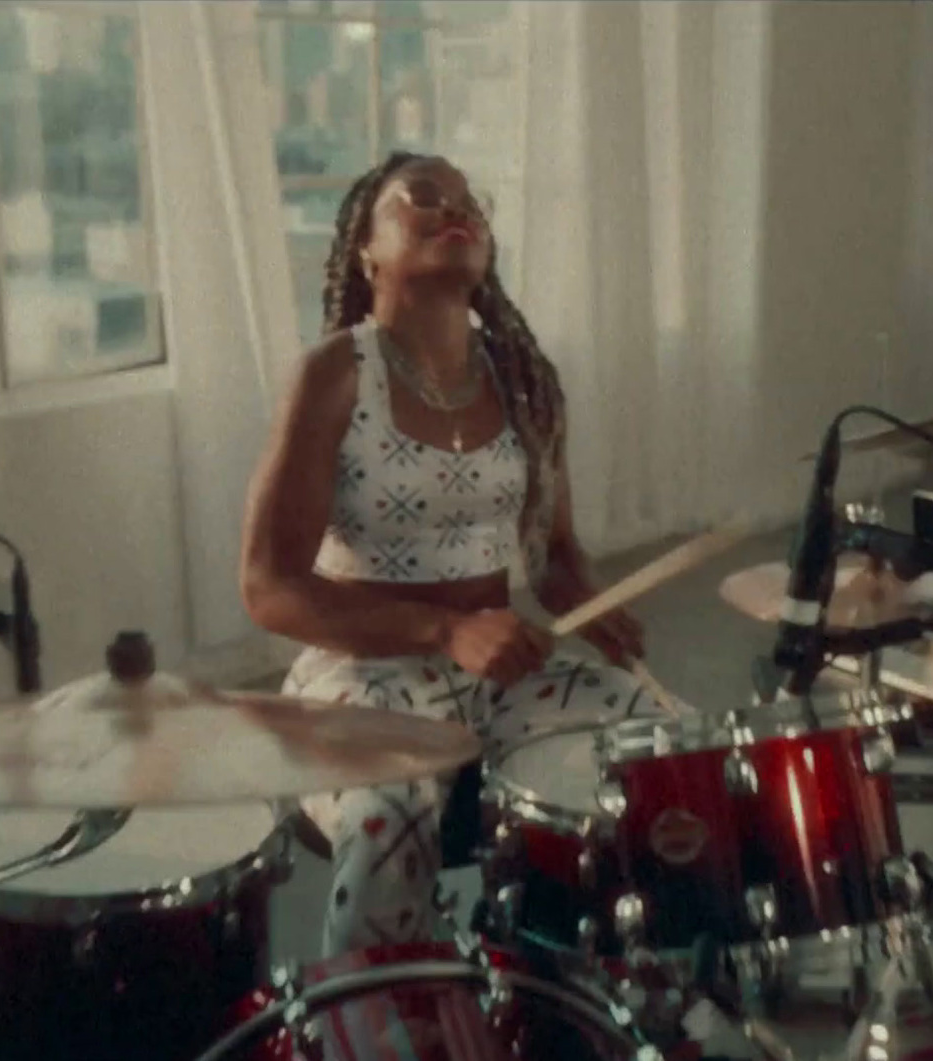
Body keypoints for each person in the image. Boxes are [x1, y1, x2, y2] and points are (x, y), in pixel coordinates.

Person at [240, 152, 679, 958]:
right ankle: (385, 1015)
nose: (456, 211)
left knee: (662, 754)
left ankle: (577, 986)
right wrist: (443, 631)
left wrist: (594, 602)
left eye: (469, 203)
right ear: (367, 251)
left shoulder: (523, 378)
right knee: (391, 813)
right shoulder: (335, 372)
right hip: (362, 671)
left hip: (502, 666)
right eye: (423, 200)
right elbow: (268, 588)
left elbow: (553, 555)